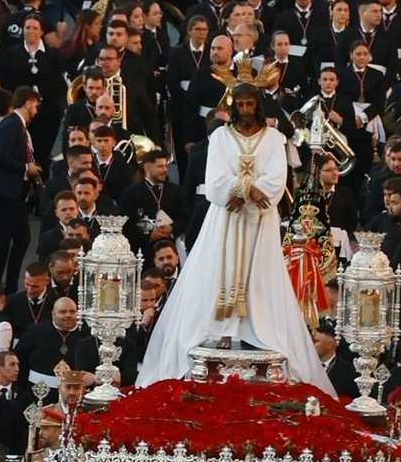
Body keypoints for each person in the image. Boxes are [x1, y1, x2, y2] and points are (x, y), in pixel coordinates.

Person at [137, 87, 329, 389]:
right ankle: (222, 328)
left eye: (250, 103)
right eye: (240, 104)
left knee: (261, 273)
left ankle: (256, 326)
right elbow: (214, 178)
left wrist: (248, 192)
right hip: (225, 216)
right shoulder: (221, 138)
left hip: (260, 219)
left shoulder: (274, 138)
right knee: (217, 270)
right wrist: (240, 191)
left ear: (259, 106)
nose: (245, 109)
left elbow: (277, 177)